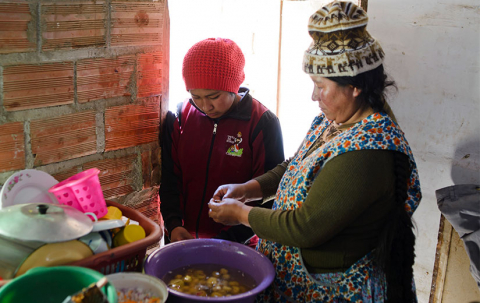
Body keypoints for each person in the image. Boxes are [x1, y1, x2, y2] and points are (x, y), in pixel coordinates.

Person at [208, 2, 422, 302]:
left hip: (334, 289)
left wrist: (241, 214)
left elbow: (304, 227)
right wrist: (249, 189)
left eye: (320, 86)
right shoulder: (334, 120)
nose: (313, 96)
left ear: (354, 86)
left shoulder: (367, 153)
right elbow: (297, 165)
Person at [160, 38, 285, 246]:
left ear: (233, 88)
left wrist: (225, 240)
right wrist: (174, 225)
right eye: (195, 96)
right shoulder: (180, 117)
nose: (205, 106)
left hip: (239, 244)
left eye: (213, 96)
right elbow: (170, 180)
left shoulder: (262, 123)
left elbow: (270, 194)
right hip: (183, 238)